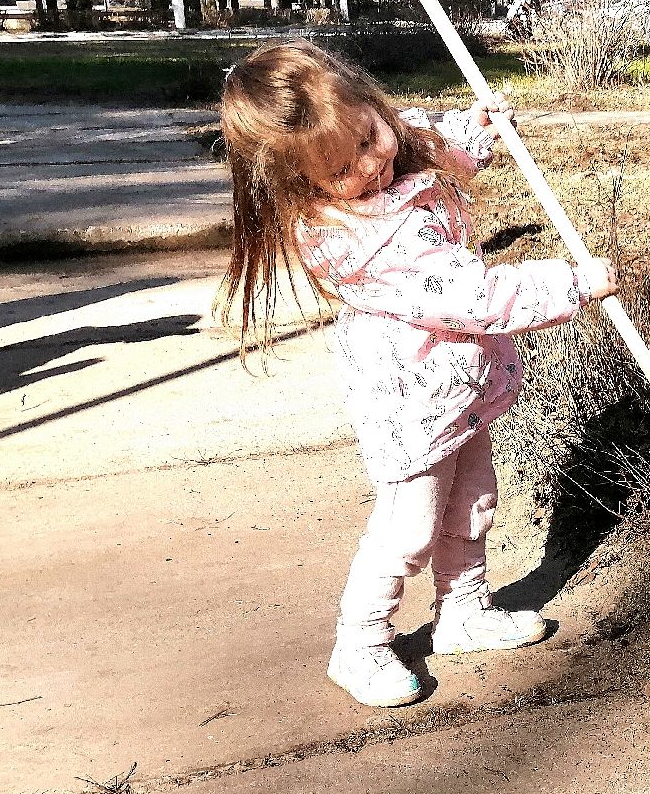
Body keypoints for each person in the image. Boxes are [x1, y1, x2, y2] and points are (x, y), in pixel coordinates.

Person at [217, 40, 618, 708]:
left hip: (455, 383)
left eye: (370, 137)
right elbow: (474, 299)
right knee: (409, 529)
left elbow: (422, 141)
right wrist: (571, 285)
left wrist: (478, 129)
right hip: (410, 400)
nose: (374, 164)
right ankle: (360, 643)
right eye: (343, 170)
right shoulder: (367, 241)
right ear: (303, 184)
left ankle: (463, 610)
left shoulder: (382, 136)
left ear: (368, 103)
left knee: (474, 502)